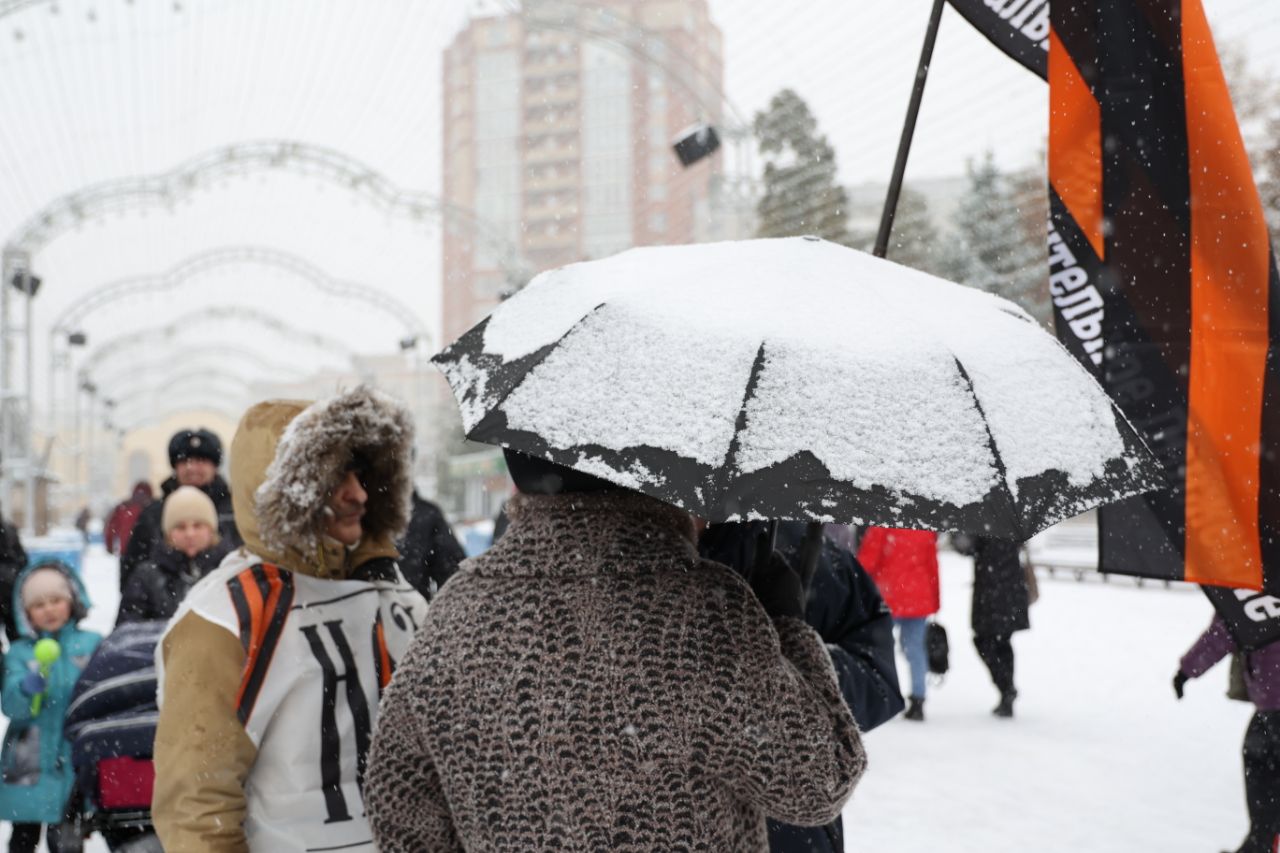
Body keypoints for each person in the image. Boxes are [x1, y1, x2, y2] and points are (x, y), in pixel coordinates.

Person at [364, 449, 866, 852]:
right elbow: (816, 781)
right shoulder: (704, 611)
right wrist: (789, 628)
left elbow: (399, 805)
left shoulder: (459, 609)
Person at [151, 387, 428, 853]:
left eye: (360, 473)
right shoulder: (225, 617)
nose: (358, 493)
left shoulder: (392, 591)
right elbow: (198, 805)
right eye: (334, 476)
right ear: (288, 487)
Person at [700, 520, 903, 853]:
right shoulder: (642, 560)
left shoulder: (818, 557)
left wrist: (800, 664)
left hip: (793, 832)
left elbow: (879, 680)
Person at [0, 562, 102, 853]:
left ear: (72, 602)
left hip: (73, 761)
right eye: (39, 604)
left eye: (56, 601)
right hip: (30, 760)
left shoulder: (91, 644)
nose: (49, 610)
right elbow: (12, 707)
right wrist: (25, 689)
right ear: (26, 613)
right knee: (23, 838)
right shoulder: (21, 654)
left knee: (68, 841)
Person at [1175, 617, 1280, 853]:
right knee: (1258, 759)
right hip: (1270, 704)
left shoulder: (1247, 588)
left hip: (1272, 702)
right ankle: (1260, 841)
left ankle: (1260, 841)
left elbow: (1223, 632)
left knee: (1260, 764)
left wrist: (1187, 669)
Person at [120, 428, 240, 591]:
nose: (192, 468)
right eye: (185, 461)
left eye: (201, 461)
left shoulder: (236, 511)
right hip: (162, 608)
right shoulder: (153, 513)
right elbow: (132, 566)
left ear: (215, 466)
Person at [116, 485, 234, 624]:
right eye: (180, 527)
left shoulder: (230, 572)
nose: (190, 534)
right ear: (168, 534)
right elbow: (127, 632)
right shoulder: (146, 577)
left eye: (197, 526)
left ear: (211, 531)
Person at [857, 526, 940, 722]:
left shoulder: (882, 527)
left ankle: (879, 695)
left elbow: (866, 562)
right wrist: (935, 600)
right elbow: (932, 567)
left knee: (879, 648)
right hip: (918, 598)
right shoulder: (924, 529)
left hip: (888, 597)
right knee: (916, 650)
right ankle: (918, 698)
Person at [952, 534, 1030, 717]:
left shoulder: (984, 521)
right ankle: (1006, 689)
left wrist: (956, 537)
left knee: (985, 641)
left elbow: (967, 548)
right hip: (1010, 589)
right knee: (1002, 642)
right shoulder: (1011, 522)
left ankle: (1006, 687)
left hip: (990, 591)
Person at [395, 487, 466, 600]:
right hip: (412, 609)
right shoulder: (427, 514)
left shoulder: (427, 516)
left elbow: (453, 577)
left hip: (413, 610)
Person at [0, 501, 27, 642]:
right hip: (11, 592)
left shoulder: (8, 529)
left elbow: (21, 560)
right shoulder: (8, 528)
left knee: (18, 640)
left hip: (10, 595)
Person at [104, 481, 154, 556]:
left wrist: (109, 545)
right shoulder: (155, 507)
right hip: (151, 554)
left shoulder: (124, 507)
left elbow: (111, 528)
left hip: (127, 551)